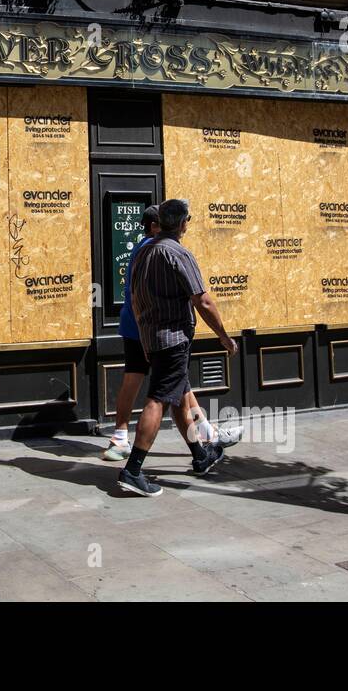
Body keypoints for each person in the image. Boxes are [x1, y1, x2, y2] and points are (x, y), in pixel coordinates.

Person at [118, 198, 239, 496]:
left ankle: (200, 455)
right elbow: (203, 301)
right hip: (173, 339)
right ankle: (133, 470)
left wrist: (145, 339)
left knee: (179, 398)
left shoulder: (143, 251)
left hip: (153, 338)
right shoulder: (178, 254)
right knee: (158, 400)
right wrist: (223, 335)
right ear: (183, 223)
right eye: (188, 219)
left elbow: (134, 298)